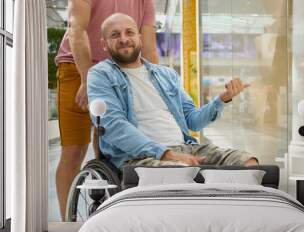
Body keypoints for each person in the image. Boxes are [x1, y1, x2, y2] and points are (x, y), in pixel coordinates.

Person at [87, 13, 259, 168]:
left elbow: (193, 121)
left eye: (129, 32)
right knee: (181, 172)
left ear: (139, 38)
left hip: (186, 149)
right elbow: (113, 126)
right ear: (104, 44)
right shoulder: (101, 75)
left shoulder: (166, 74)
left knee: (249, 164)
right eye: (115, 35)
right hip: (138, 157)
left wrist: (222, 100)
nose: (124, 39)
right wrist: (166, 154)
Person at [55, 0, 159, 221]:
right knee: (73, 152)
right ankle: (68, 226)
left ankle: (109, 219)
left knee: (112, 151)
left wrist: (160, 87)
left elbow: (148, 46)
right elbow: (76, 29)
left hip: (118, 70)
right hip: (77, 67)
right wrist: (87, 79)